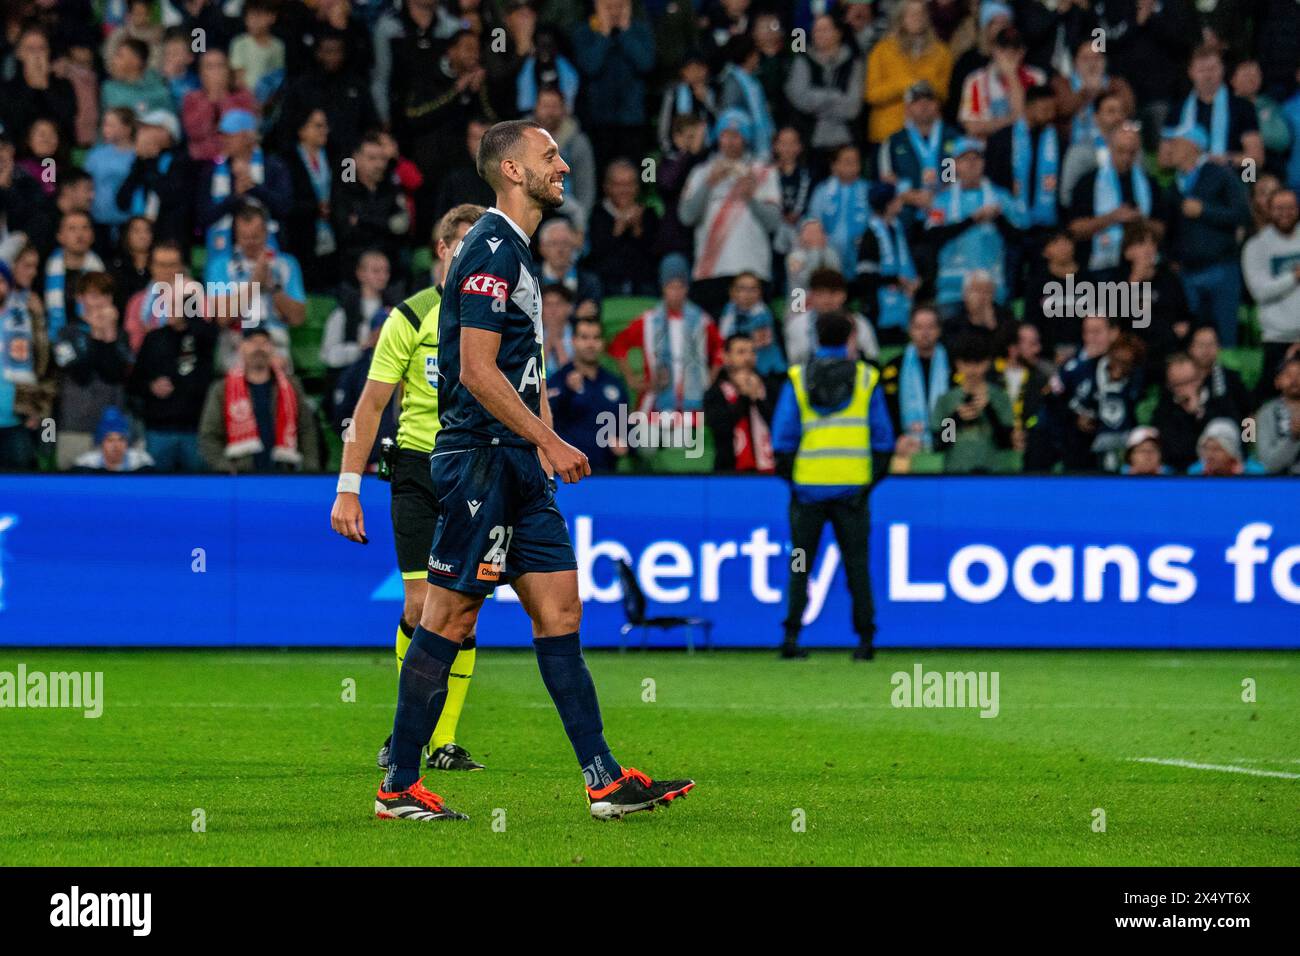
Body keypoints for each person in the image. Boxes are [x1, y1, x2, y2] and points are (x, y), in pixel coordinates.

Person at [368, 120, 693, 822]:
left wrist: (536, 444)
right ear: (511, 170)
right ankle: (396, 784)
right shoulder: (489, 246)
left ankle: (603, 778)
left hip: (515, 462)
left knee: (561, 609)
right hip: (483, 459)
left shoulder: (514, 250)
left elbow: (516, 367)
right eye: (550, 158)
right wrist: (550, 438)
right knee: (449, 615)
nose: (564, 168)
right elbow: (476, 370)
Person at [330, 204, 487, 775]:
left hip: (476, 471)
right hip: (419, 471)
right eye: (465, 245)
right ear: (443, 251)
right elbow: (371, 405)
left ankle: (444, 741)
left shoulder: (497, 314)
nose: (474, 257)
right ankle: (408, 735)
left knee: (463, 613)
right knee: (421, 607)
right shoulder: (412, 316)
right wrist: (348, 487)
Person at [771, 310, 894, 660]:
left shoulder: (796, 379)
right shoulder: (868, 378)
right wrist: (867, 482)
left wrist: (795, 481)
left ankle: (791, 637)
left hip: (808, 489)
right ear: (850, 338)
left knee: (799, 565)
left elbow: (782, 440)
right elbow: (883, 439)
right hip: (852, 490)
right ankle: (866, 641)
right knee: (857, 565)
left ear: (816, 337)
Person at [1158, 122, 1251, 347]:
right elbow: (1168, 229)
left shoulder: (1221, 174)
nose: (1170, 148)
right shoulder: (1173, 185)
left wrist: (1205, 211)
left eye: (1176, 143)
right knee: (1193, 339)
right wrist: (1171, 258)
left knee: (1225, 337)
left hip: (1221, 268)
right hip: (1187, 273)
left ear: (1193, 146)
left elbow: (1242, 214)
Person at [197, 324, 318, 472]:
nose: (259, 348)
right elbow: (209, 435)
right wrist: (227, 469)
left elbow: (306, 430)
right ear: (241, 348)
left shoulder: (291, 386)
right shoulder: (222, 389)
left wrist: (310, 468)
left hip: (284, 475)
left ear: (272, 348)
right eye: (252, 342)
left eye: (264, 343)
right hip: (241, 477)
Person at [546, 314, 630, 474]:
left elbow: (626, 426)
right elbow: (545, 422)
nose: (590, 344)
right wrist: (567, 392)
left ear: (603, 343)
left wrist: (626, 443)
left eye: (596, 338)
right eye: (584, 338)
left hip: (607, 475)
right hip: (567, 475)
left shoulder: (614, 384)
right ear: (573, 341)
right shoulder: (559, 381)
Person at [1241, 189, 1300, 398]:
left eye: (1290, 207)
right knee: (1269, 401)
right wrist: (1294, 277)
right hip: (1277, 338)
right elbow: (1260, 292)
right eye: (1279, 208)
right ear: (1269, 210)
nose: (1285, 213)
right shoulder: (1256, 246)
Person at [931, 332, 1015, 474]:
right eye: (966, 362)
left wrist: (989, 410)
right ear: (958, 364)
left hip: (991, 474)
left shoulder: (1000, 397)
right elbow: (940, 445)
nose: (972, 369)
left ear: (987, 362)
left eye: (978, 362)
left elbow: (1006, 443)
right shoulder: (946, 400)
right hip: (956, 474)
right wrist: (956, 419)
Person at [880, 303, 950, 456]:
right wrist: (899, 437)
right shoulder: (894, 366)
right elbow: (889, 408)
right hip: (905, 443)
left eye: (930, 327)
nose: (925, 333)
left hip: (946, 441)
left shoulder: (952, 364)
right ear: (910, 330)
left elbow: (952, 407)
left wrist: (947, 441)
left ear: (939, 330)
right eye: (919, 327)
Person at [704, 332, 777, 473]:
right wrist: (743, 397)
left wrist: (757, 399)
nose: (748, 357)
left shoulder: (770, 386)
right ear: (726, 357)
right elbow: (721, 430)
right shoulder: (715, 392)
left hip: (769, 470)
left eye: (752, 352)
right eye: (741, 352)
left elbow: (779, 425)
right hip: (731, 471)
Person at [1254, 353, 1300, 475]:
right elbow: (1267, 464)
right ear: (1277, 382)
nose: (1294, 380)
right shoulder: (1266, 413)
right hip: (1279, 483)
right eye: (1289, 375)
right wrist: (1293, 439)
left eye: (1299, 374)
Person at [72, 406, 154, 472]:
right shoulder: (85, 464)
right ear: (101, 443)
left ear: (127, 442)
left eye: (121, 439)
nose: (116, 445)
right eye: (110, 440)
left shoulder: (142, 461)